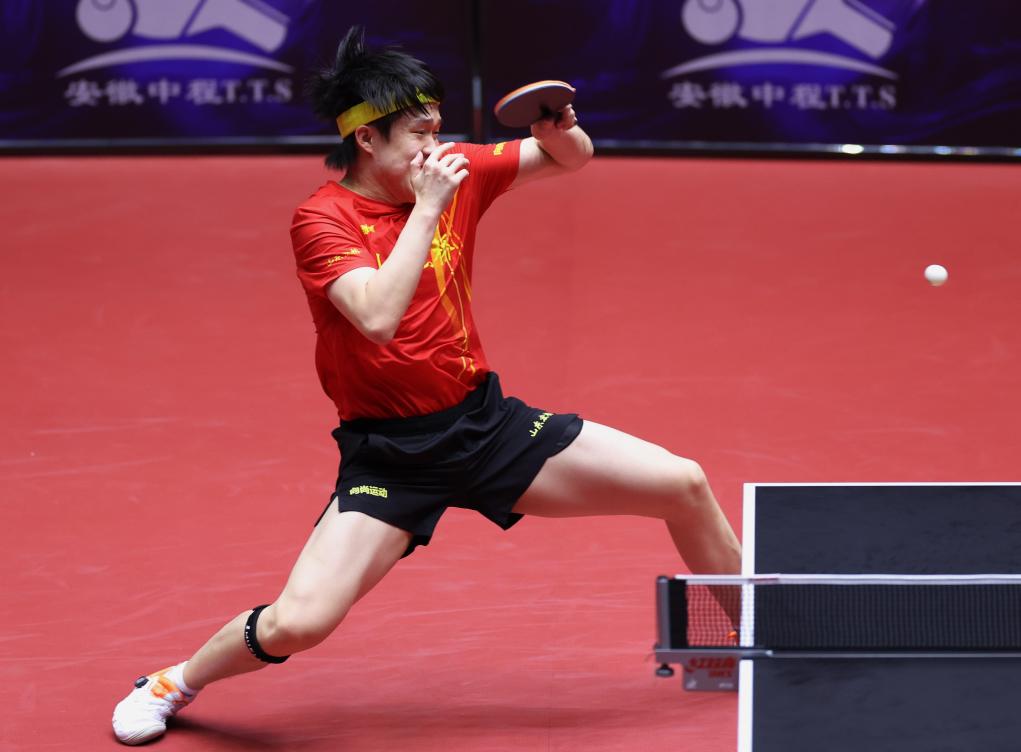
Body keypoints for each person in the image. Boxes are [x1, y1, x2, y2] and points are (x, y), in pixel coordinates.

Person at [111, 26, 742, 746]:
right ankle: (171, 683)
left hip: (485, 426)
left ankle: (755, 636)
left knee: (683, 482)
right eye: (418, 132)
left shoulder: (448, 169)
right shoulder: (322, 220)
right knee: (300, 623)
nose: (433, 146)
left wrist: (558, 130)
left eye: (436, 128)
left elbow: (570, 158)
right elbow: (377, 317)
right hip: (392, 456)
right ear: (366, 138)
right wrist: (429, 207)